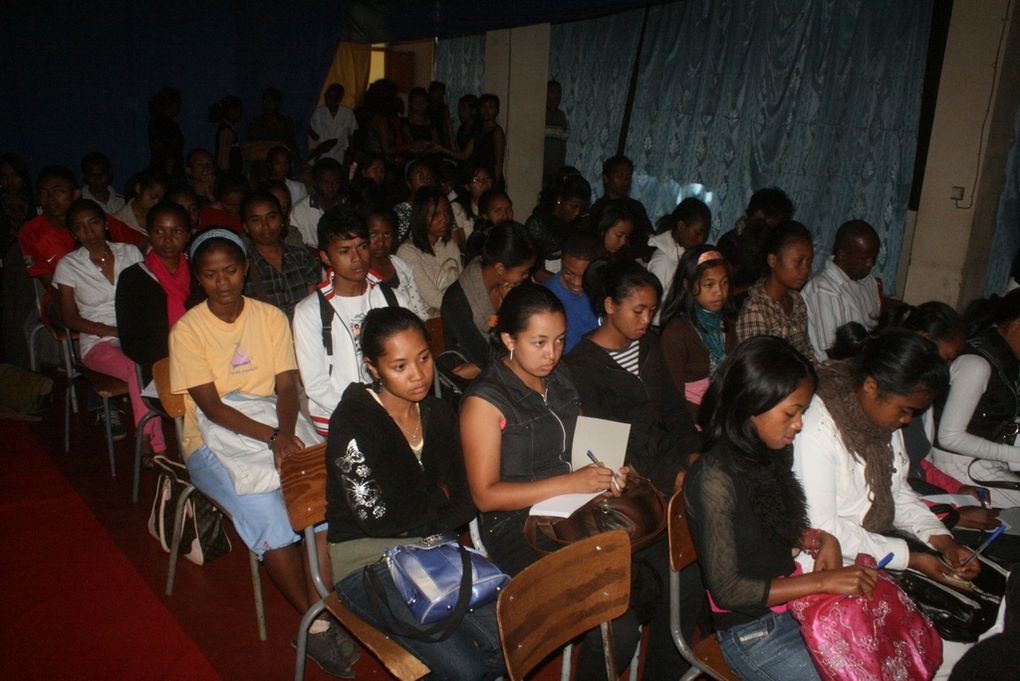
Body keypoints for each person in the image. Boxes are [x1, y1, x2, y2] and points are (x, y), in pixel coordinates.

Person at [169, 229, 356, 677]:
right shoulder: (188, 330)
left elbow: (287, 385)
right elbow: (211, 408)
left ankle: (319, 608)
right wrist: (273, 440)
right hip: (214, 440)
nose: (223, 282)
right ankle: (316, 622)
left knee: (321, 497)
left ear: (245, 268)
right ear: (198, 277)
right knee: (270, 515)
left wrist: (285, 434)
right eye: (211, 275)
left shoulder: (270, 316)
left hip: (277, 421)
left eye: (231, 270)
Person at [461, 284, 645, 678]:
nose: (552, 354)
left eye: (560, 341)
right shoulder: (485, 400)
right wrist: (570, 483)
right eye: (539, 342)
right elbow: (485, 496)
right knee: (617, 620)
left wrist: (607, 470)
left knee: (648, 579)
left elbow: (579, 449)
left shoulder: (559, 376)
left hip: (571, 507)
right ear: (509, 339)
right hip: (515, 522)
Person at [686, 336, 877, 681]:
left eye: (802, 412)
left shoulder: (769, 452)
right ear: (751, 404)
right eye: (792, 412)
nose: (799, 424)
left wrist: (819, 539)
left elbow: (764, 528)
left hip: (792, 610)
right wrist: (822, 581)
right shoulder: (713, 478)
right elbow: (729, 592)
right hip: (752, 633)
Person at [326, 307, 502, 681]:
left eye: (423, 358)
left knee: (509, 640)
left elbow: (467, 498)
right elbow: (376, 518)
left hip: (434, 547)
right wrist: (439, 497)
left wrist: (423, 508)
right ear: (374, 368)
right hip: (365, 560)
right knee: (465, 670)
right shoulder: (353, 421)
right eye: (400, 366)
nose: (419, 375)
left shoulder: (438, 413)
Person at [567, 259, 701, 492]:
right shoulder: (582, 365)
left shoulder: (648, 344)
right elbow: (608, 443)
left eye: (651, 310)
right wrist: (671, 475)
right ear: (610, 305)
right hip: (635, 474)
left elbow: (673, 405)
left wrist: (693, 453)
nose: (647, 320)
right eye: (638, 311)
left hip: (672, 452)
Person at [54, 199, 162, 453]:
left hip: (136, 335)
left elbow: (148, 297)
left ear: (105, 224)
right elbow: (69, 317)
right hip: (98, 342)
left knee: (164, 362)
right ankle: (154, 445)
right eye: (80, 228)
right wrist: (110, 331)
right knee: (137, 368)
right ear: (73, 233)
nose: (89, 233)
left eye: (94, 224)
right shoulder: (69, 265)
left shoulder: (130, 253)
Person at [293, 206, 407, 437]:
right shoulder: (310, 312)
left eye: (362, 247)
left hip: (394, 408)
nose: (357, 258)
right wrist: (369, 413)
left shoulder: (392, 298)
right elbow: (316, 385)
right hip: (338, 416)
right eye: (345, 251)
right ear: (325, 256)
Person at [932, 291, 1020, 507]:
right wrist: (1014, 455)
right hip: (956, 467)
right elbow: (950, 437)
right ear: (1017, 326)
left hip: (983, 461)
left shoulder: (1005, 360)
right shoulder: (976, 364)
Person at [441, 221, 536, 379]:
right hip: (477, 384)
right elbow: (486, 357)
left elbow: (530, 329)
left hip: (506, 368)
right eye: (524, 272)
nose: (527, 276)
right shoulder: (457, 301)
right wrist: (507, 309)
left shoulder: (516, 284)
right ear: (500, 269)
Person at [115, 201, 192, 384]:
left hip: (205, 358)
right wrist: (174, 360)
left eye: (177, 232)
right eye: (159, 232)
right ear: (148, 234)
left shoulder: (199, 272)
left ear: (188, 235)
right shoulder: (133, 278)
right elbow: (130, 340)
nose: (168, 239)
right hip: (161, 365)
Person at [660, 245, 737, 420]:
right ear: (688, 285)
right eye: (709, 284)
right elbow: (674, 398)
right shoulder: (677, 333)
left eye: (724, 282)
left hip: (725, 410)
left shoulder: (728, 323)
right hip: (694, 417)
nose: (719, 292)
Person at [802, 220, 882, 361]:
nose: (870, 264)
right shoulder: (824, 290)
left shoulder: (867, 280)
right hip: (835, 371)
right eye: (864, 259)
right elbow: (833, 354)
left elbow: (874, 329)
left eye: (873, 258)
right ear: (842, 254)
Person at [735, 220, 814, 359]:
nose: (806, 269)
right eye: (798, 262)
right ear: (773, 260)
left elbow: (806, 353)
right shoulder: (756, 309)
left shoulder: (796, 300)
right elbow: (758, 371)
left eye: (809, 262)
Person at [241, 191, 321, 320]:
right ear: (245, 226)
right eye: (256, 220)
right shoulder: (243, 268)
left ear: (282, 220)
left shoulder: (301, 257)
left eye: (271, 217)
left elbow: (315, 307)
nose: (265, 226)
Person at [395, 187, 462, 318]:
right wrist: (461, 309)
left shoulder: (450, 245)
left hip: (452, 311)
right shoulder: (407, 251)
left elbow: (462, 282)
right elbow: (430, 296)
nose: (444, 219)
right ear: (421, 216)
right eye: (436, 214)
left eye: (447, 213)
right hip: (426, 317)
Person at [718, 187, 795, 296]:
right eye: (777, 220)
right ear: (760, 215)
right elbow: (724, 289)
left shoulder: (770, 244)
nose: (780, 227)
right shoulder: (729, 243)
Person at [647, 197, 711, 323]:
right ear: (681, 226)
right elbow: (653, 311)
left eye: (705, 234)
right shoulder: (662, 261)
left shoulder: (687, 253)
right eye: (698, 233)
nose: (701, 240)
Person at [364, 206, 428, 320]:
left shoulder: (402, 266)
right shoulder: (360, 272)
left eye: (387, 234)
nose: (381, 242)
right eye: (373, 234)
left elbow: (418, 309)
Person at [525, 173, 591, 282]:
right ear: (560, 200)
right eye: (573, 207)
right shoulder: (537, 224)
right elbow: (536, 272)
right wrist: (565, 285)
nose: (577, 212)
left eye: (581, 208)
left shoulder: (578, 225)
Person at [541, 231, 599, 353]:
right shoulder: (547, 296)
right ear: (562, 263)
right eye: (569, 273)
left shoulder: (599, 287)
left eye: (584, 276)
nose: (577, 283)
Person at [589, 156, 653, 259]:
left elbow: (648, 236)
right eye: (619, 175)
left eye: (628, 177)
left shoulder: (636, 207)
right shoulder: (599, 208)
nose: (625, 181)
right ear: (606, 178)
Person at [290, 158, 345, 248]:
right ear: (315, 183)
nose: (331, 187)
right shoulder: (300, 210)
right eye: (326, 183)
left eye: (336, 182)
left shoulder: (347, 205)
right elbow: (296, 245)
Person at [309, 83, 358, 165]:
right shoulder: (319, 112)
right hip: (323, 154)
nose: (327, 99)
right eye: (327, 96)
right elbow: (315, 136)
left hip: (341, 153)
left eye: (331, 97)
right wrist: (307, 127)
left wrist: (351, 154)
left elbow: (352, 135)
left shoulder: (347, 113)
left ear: (339, 99)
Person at [114, 168, 169, 238]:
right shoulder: (118, 221)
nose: (156, 202)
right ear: (138, 188)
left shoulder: (161, 217)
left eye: (160, 199)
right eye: (152, 196)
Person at [393, 159, 436, 242]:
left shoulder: (440, 208)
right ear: (409, 183)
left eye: (429, 178)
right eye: (421, 177)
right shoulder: (400, 212)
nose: (426, 181)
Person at [148, 87, 185, 180]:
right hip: (169, 171)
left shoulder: (156, 121)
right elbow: (167, 149)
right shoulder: (165, 123)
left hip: (163, 169)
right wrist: (169, 174)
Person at [248, 88, 298, 156]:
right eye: (265, 101)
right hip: (261, 161)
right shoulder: (256, 122)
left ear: (278, 103)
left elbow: (292, 147)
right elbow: (252, 146)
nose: (267, 104)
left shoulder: (286, 122)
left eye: (270, 101)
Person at [591, 198, 636, 263]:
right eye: (619, 235)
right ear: (603, 230)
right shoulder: (588, 257)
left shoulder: (624, 256)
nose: (623, 242)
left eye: (626, 237)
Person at [542, 80, 569, 187]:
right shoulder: (540, 113)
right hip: (540, 166)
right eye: (553, 91)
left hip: (556, 168)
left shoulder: (561, 116)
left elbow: (563, 144)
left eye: (559, 92)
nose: (557, 95)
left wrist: (560, 165)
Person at [209, 95, 243, 174]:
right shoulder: (227, 131)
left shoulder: (227, 129)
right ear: (232, 111)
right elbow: (223, 160)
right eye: (240, 110)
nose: (241, 113)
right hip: (228, 176)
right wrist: (227, 176)